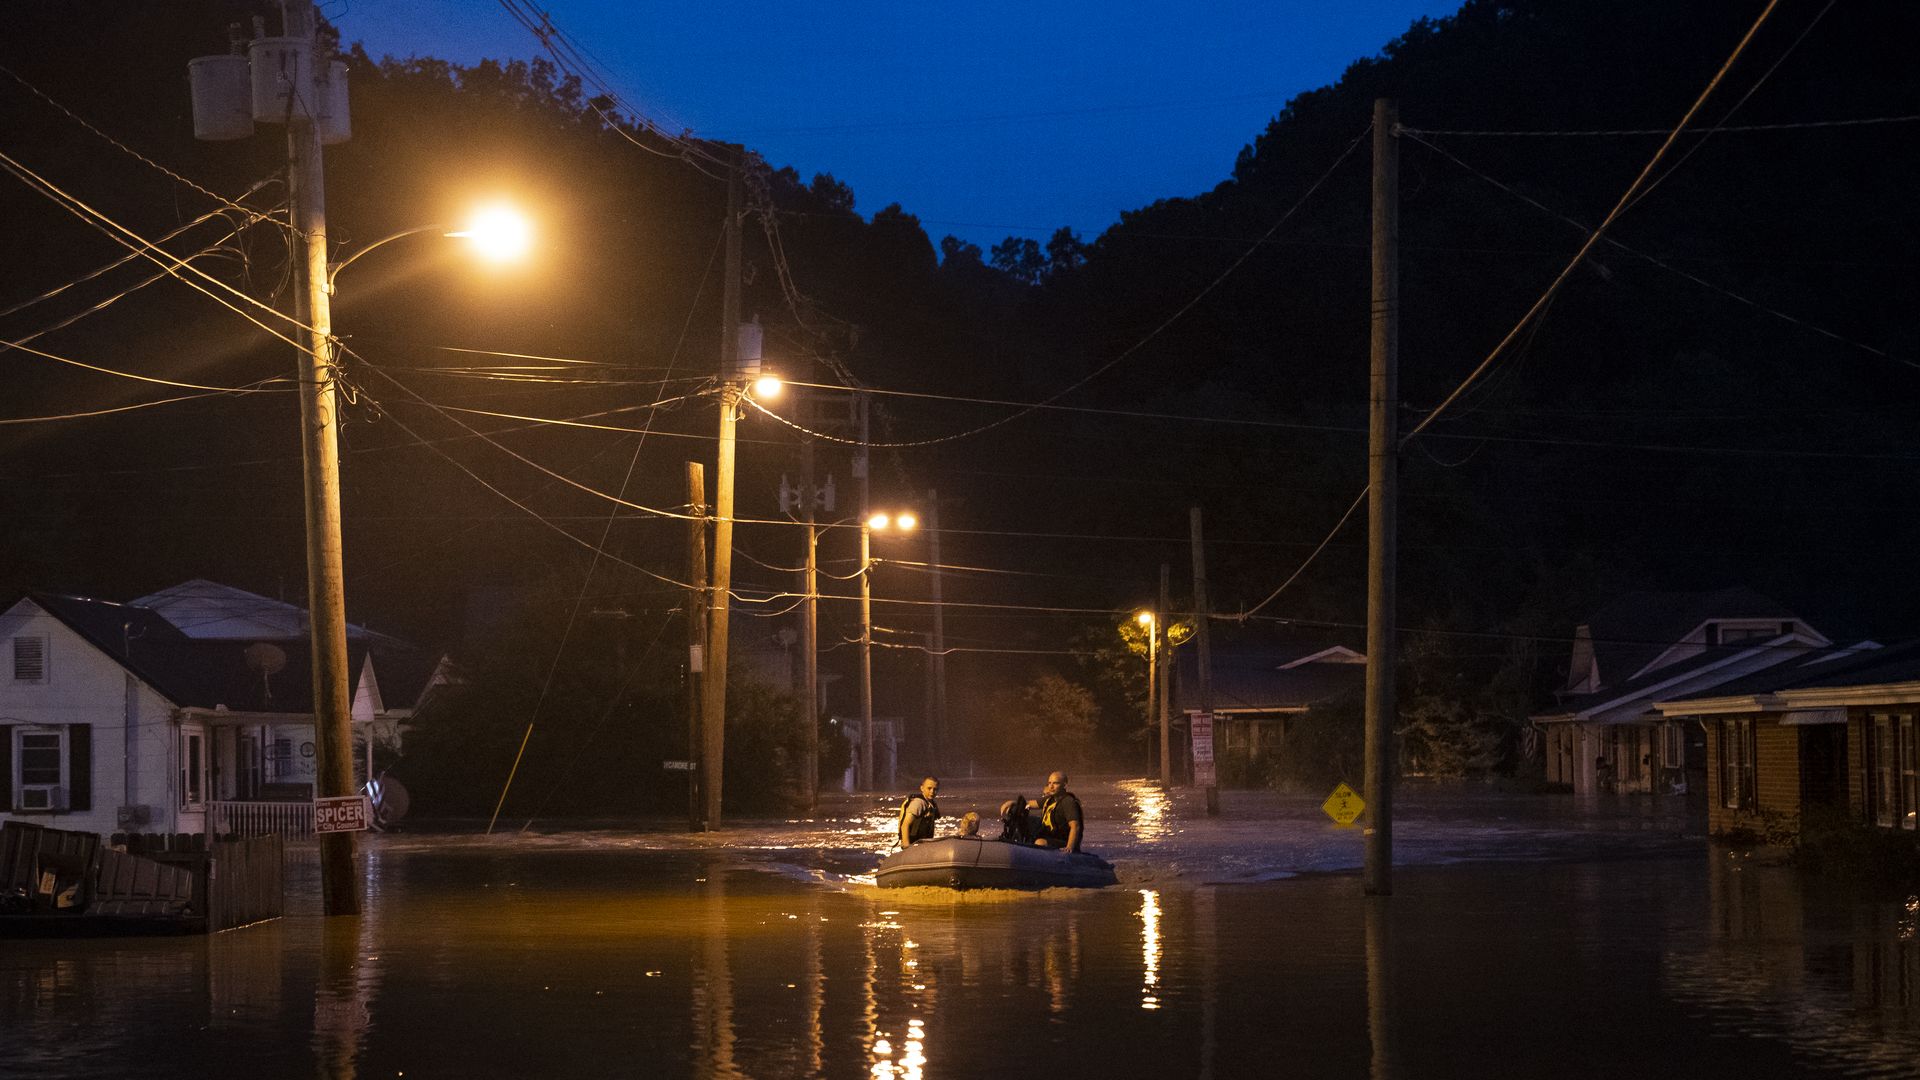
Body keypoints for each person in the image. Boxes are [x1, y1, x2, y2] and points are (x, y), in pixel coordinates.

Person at [999, 771, 1083, 852]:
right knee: (1026, 820)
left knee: (1039, 842)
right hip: (1051, 837)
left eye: (1055, 783)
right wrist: (1010, 803)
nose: (1051, 786)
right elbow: (1028, 804)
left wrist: (1069, 847)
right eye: (1049, 783)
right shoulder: (1050, 800)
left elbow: (1075, 826)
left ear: (1064, 785)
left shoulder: (1068, 802)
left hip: (1064, 842)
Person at [897, 776, 941, 847]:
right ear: (922, 788)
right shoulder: (918, 803)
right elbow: (905, 825)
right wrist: (907, 846)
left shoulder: (932, 804)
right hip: (913, 844)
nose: (932, 791)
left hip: (922, 844)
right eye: (929, 788)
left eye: (935, 789)